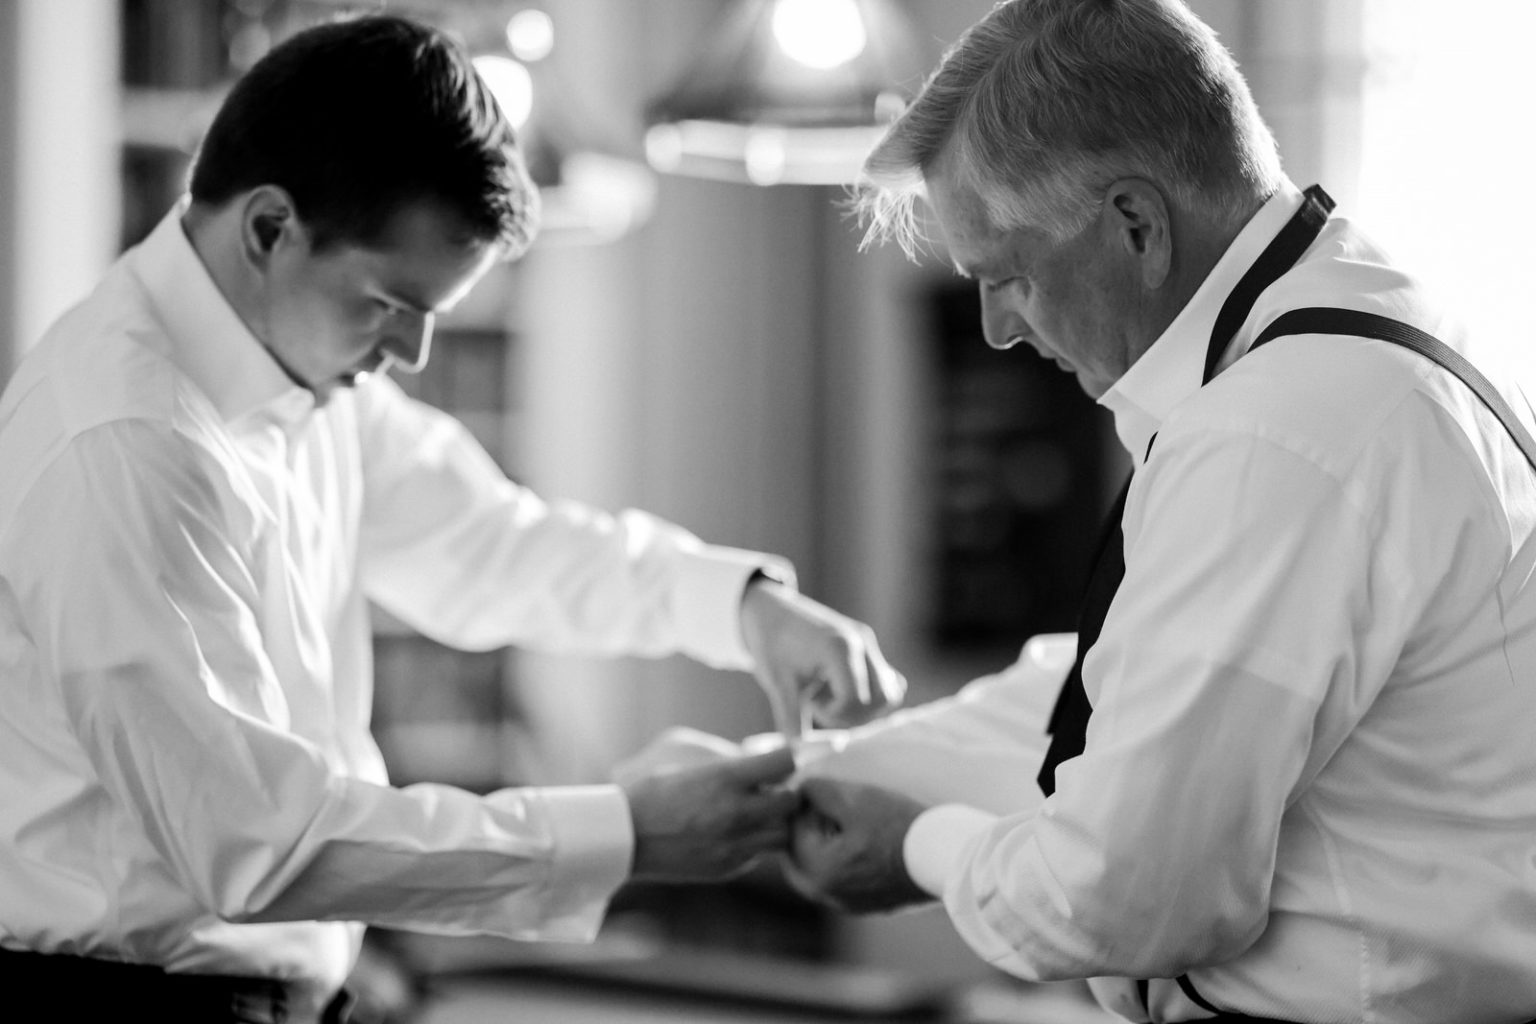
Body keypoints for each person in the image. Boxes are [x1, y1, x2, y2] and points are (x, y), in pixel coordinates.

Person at [0, 13, 906, 1024]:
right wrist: (629, 832)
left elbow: (493, 547)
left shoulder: (311, 374)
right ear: (268, 229)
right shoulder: (123, 441)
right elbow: (257, 842)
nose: (416, 354)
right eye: (393, 303)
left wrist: (741, 608)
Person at [767, 0, 1536, 1021]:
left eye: (1010, 276)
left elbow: (1125, 900)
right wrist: (813, 768)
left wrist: (917, 846)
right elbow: (1128, 687)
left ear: (1136, 223)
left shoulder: (1272, 434)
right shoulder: (1381, 332)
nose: (996, 330)